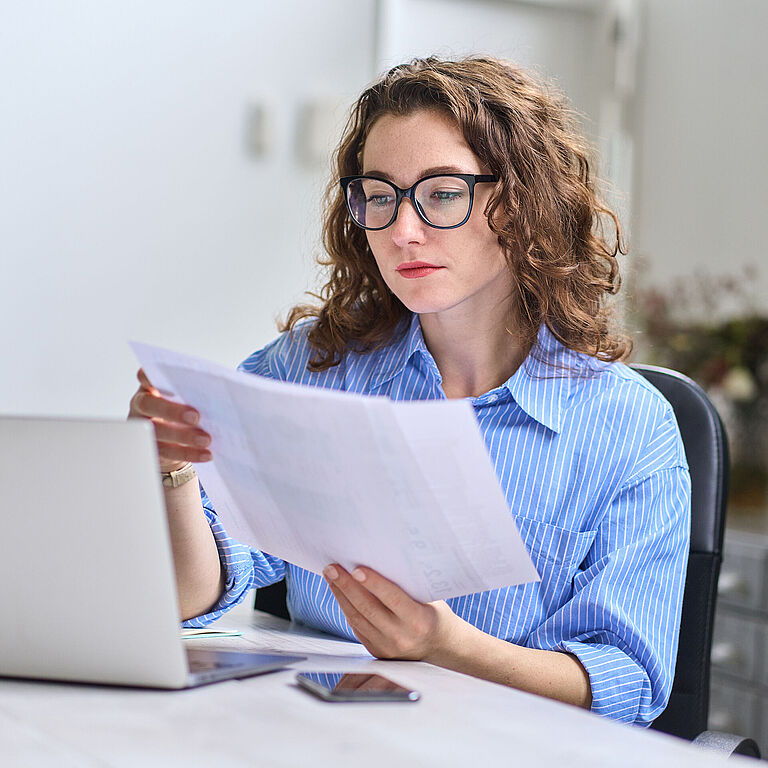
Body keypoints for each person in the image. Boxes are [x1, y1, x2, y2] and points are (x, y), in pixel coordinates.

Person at [129, 56, 690, 726]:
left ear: (518, 205)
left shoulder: (629, 425)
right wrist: (173, 471)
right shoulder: (311, 367)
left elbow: (629, 682)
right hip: (313, 736)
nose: (403, 230)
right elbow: (196, 596)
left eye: (442, 193)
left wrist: (448, 648)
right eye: (381, 194)